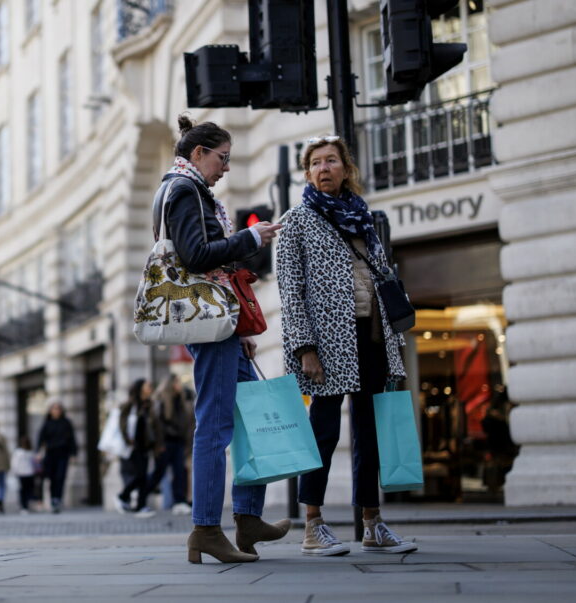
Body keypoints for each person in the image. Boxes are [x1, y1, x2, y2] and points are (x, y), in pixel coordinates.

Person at [155, 115, 288, 564]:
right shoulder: (183, 190)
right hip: (207, 322)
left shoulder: (186, 188)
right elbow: (195, 257)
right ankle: (206, 529)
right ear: (199, 153)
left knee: (253, 411)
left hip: (219, 323)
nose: (226, 167)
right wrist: (249, 238)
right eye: (222, 158)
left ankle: (247, 518)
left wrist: (238, 331)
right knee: (215, 423)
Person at [276, 135, 417, 557]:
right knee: (323, 430)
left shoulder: (363, 218)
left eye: (331, 161)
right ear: (307, 173)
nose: (324, 168)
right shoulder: (295, 222)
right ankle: (313, 525)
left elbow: (379, 276)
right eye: (316, 162)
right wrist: (305, 347)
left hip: (370, 336)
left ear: (345, 168)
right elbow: (290, 291)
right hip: (326, 341)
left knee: (370, 432)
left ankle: (372, 523)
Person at [147, 375, 191, 515]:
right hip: (165, 443)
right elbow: (158, 424)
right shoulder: (161, 400)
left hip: (178, 442)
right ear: (171, 384)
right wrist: (159, 444)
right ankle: (141, 495)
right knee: (158, 473)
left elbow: (185, 421)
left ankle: (179, 501)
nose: (180, 385)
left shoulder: (180, 400)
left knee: (180, 472)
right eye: (177, 382)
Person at [116, 379, 159, 517]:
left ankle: (140, 505)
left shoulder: (149, 404)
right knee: (140, 475)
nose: (150, 388)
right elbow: (122, 424)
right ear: (140, 388)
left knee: (144, 476)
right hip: (134, 446)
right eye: (147, 386)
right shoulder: (130, 405)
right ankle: (123, 496)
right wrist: (127, 439)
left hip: (146, 445)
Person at [36, 401, 77, 513]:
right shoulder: (47, 423)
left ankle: (58, 498)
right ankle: (53, 499)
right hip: (50, 453)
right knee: (52, 478)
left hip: (63, 453)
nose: (56, 411)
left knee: (61, 477)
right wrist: (38, 452)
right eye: (54, 409)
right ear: (50, 411)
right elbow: (40, 438)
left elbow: (72, 439)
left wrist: (73, 453)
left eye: (58, 409)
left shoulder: (66, 423)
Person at [10, 437, 37, 514]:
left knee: (23, 491)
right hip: (29, 473)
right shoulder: (31, 452)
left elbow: (14, 463)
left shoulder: (18, 452)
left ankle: (24, 506)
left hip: (21, 473)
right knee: (28, 490)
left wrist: (14, 472)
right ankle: (26, 505)